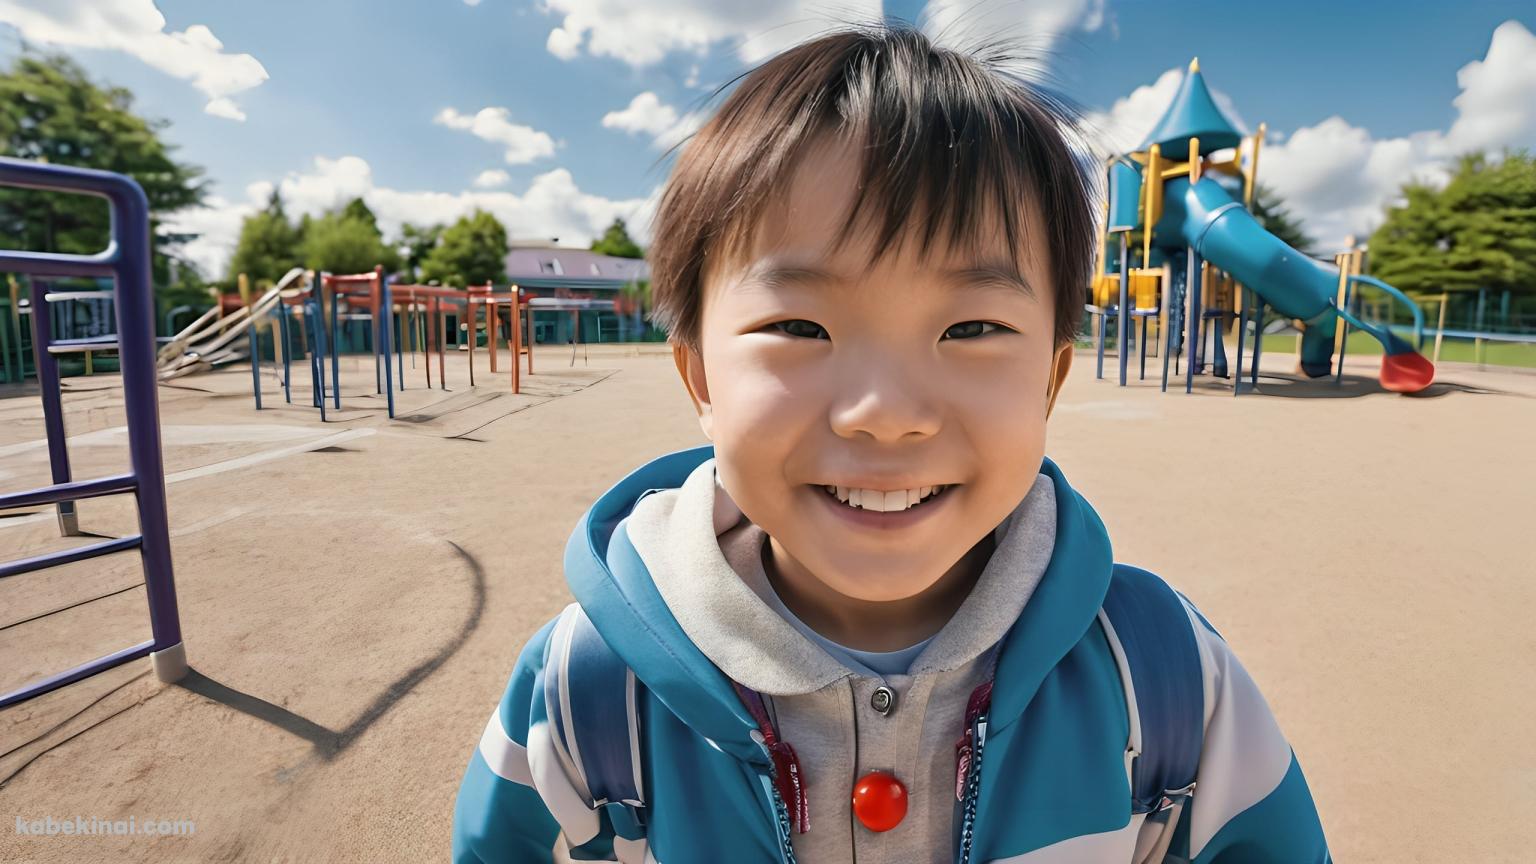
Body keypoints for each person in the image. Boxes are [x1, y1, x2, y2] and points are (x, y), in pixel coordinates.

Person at [452, 23, 1329, 864]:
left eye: (973, 326)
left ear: (1051, 382)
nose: (885, 413)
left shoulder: (1166, 676)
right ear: (702, 383)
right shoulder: (588, 690)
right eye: (799, 324)